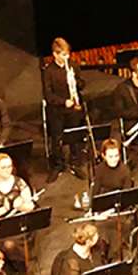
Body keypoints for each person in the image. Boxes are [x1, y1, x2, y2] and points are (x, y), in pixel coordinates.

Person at [0, 152, 37, 275]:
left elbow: (30, 206)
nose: (8, 170)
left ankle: (20, 269)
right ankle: (7, 270)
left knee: (9, 244)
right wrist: (4, 209)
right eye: (3, 167)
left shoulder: (19, 182)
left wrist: (21, 206)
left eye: (9, 166)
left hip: (16, 222)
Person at [40, 37, 88, 178]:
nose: (67, 57)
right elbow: (48, 95)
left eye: (67, 54)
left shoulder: (73, 66)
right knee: (57, 139)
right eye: (63, 55)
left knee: (74, 136)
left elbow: (82, 85)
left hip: (73, 109)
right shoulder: (48, 71)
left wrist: (76, 81)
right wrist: (63, 102)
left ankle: (75, 163)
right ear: (55, 54)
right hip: (57, 110)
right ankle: (58, 165)